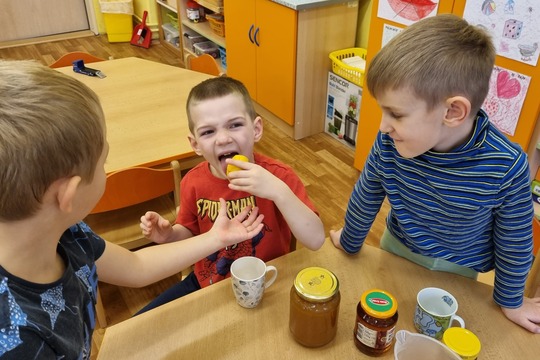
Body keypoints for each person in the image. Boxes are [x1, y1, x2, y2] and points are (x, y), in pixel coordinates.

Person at [0, 60, 265, 358]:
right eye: (104, 164)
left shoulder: (68, 233)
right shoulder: (19, 340)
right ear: (69, 196)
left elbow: (136, 268)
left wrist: (216, 238)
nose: (105, 169)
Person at [330, 14, 540, 333]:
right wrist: (349, 241)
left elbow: (515, 240)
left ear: (453, 112)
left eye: (396, 114)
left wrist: (511, 301)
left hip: (460, 270)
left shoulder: (506, 165)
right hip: (396, 248)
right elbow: (367, 193)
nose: (383, 126)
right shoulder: (389, 141)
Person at [137, 76, 325, 313]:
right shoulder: (192, 182)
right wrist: (168, 235)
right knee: (146, 320)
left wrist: (278, 191)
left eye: (234, 125)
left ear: (256, 129)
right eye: (208, 132)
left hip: (267, 281)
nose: (224, 138)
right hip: (208, 281)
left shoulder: (279, 177)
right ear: (195, 144)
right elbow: (190, 234)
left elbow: (316, 240)